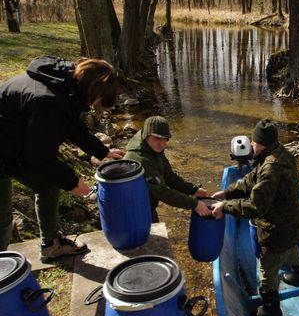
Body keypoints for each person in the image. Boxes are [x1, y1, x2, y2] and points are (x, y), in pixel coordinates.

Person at [0, 56, 124, 260]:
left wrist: (102, 151)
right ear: (94, 91)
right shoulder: (47, 100)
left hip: (14, 145)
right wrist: (72, 182)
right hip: (6, 150)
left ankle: (50, 244)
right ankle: (5, 276)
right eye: (100, 100)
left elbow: (72, 126)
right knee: (2, 218)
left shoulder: (62, 85)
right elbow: (40, 157)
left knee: (48, 186)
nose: (96, 106)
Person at [212, 118, 299, 316]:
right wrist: (228, 193)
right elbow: (251, 180)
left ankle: (271, 308)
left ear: (260, 142)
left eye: (253, 141)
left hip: (279, 228)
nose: (251, 144)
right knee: (291, 245)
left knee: (268, 269)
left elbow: (255, 206)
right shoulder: (279, 153)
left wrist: (225, 207)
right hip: (296, 221)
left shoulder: (270, 167)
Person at [124, 116, 211, 222]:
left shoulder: (152, 148)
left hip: (145, 204)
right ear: (146, 136)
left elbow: (168, 176)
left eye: (165, 139)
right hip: (133, 210)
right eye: (157, 138)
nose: (162, 143)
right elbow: (162, 192)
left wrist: (193, 189)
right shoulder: (141, 160)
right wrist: (194, 204)